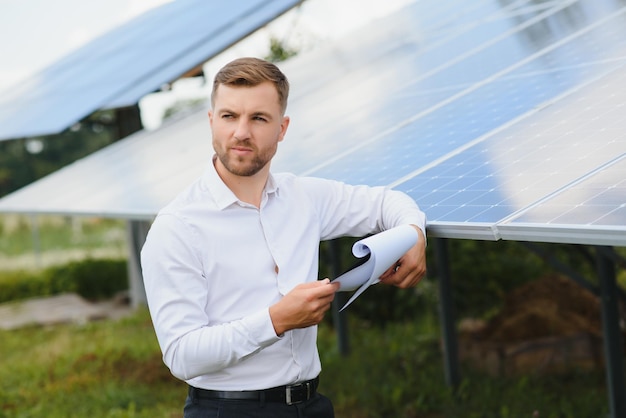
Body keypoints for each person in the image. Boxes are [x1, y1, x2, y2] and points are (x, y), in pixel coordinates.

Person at [140, 57, 427, 418]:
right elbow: (182, 354)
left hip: (313, 406)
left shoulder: (303, 197)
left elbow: (388, 202)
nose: (241, 132)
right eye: (229, 116)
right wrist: (275, 320)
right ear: (211, 121)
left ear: (282, 128)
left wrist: (413, 233)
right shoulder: (177, 227)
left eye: (258, 118)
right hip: (227, 412)